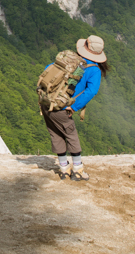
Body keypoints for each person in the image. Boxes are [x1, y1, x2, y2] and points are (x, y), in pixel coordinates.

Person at [42, 35, 109, 181]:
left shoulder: (68, 60)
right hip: (63, 107)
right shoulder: (94, 69)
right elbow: (91, 91)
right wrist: (74, 107)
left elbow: (48, 70)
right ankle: (78, 170)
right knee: (71, 136)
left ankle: (64, 169)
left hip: (47, 103)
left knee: (55, 134)